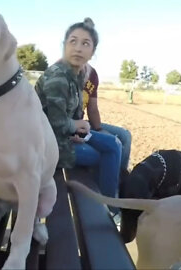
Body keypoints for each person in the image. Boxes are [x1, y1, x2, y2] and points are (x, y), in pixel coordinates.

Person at [35, 18, 122, 213]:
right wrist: (75, 127)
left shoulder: (75, 75)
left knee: (114, 144)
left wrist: (78, 129)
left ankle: (108, 203)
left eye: (85, 44)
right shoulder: (58, 76)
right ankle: (107, 209)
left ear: (92, 52)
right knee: (104, 155)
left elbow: (73, 116)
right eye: (73, 41)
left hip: (64, 136)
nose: (78, 48)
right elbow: (55, 123)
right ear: (64, 45)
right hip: (48, 146)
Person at [82, 63, 132, 172]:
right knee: (112, 145)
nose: (79, 49)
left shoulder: (92, 74)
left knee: (125, 136)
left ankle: (121, 177)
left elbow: (93, 108)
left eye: (86, 44)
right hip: (69, 127)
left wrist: (100, 129)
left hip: (82, 124)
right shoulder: (63, 72)